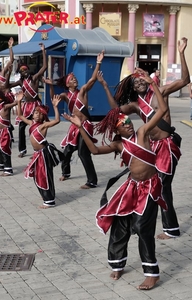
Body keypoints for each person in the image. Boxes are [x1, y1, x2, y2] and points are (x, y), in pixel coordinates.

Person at [62, 70, 168, 290]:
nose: (128, 124)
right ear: (116, 129)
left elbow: (164, 109)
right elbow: (93, 149)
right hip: (131, 188)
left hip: (149, 187)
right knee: (120, 225)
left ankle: (152, 272)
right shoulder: (118, 145)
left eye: (129, 121)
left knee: (141, 227)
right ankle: (118, 263)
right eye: (124, 124)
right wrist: (80, 127)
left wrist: (153, 85)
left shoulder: (142, 133)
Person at [103, 37, 190, 239]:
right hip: (152, 148)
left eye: (141, 78)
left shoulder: (161, 91)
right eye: (135, 81)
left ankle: (171, 228)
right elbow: (115, 110)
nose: (139, 81)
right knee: (154, 183)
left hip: (167, 146)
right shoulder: (134, 104)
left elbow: (185, 80)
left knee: (163, 184)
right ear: (133, 87)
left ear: (148, 79)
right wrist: (105, 86)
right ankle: (146, 220)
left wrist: (182, 53)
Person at [43, 50, 104, 189]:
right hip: (74, 127)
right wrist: (51, 86)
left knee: (83, 153)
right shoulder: (66, 95)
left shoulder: (82, 91)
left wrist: (98, 63)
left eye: (75, 77)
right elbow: (55, 99)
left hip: (85, 125)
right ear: (67, 83)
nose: (74, 79)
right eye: (71, 79)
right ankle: (66, 173)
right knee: (67, 151)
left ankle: (92, 181)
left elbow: (92, 80)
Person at [16, 89, 62, 209]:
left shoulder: (43, 126)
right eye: (35, 112)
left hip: (44, 154)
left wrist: (55, 107)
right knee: (37, 176)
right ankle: (45, 195)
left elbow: (57, 120)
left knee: (44, 176)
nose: (36, 114)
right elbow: (20, 115)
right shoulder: (31, 124)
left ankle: (49, 200)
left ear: (43, 116)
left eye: (39, 113)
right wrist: (19, 102)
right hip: (37, 154)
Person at [9, 43, 47, 158]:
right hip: (26, 106)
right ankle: (22, 150)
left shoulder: (34, 78)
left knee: (38, 126)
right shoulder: (21, 82)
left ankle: (39, 148)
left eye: (25, 69)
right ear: (20, 73)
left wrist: (43, 51)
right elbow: (7, 85)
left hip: (35, 105)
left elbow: (44, 66)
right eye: (22, 70)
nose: (24, 71)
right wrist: (8, 71)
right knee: (21, 127)